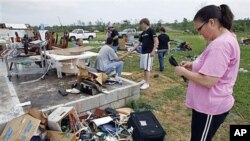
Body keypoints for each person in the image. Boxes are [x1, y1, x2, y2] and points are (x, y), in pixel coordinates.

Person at [174, 4, 240, 141]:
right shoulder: (226, 38)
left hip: (210, 106)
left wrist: (183, 72)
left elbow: (209, 80)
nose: (199, 33)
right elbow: (215, 66)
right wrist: (192, 65)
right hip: (209, 103)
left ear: (212, 22)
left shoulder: (220, 45)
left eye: (199, 28)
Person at [135, 18, 159, 89]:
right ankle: (144, 80)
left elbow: (156, 41)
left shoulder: (151, 31)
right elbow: (139, 43)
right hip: (143, 52)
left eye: (141, 24)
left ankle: (147, 83)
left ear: (145, 23)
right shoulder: (143, 33)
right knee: (144, 68)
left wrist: (153, 51)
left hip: (149, 52)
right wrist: (132, 49)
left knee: (147, 68)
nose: (141, 26)